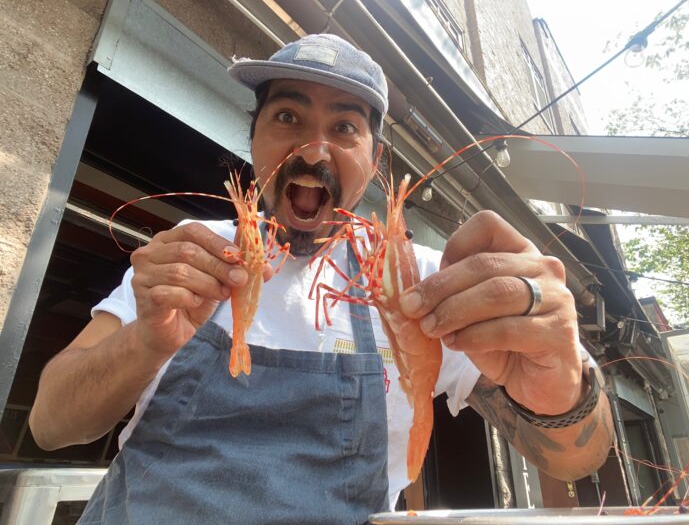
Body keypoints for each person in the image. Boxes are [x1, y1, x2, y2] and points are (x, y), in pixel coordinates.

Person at [29, 34, 614, 524]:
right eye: (288, 117)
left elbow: (572, 461)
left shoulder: (435, 282)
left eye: (345, 127)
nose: (313, 150)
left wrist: (560, 387)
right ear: (253, 134)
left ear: (373, 157)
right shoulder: (191, 250)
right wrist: (146, 340)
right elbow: (50, 424)